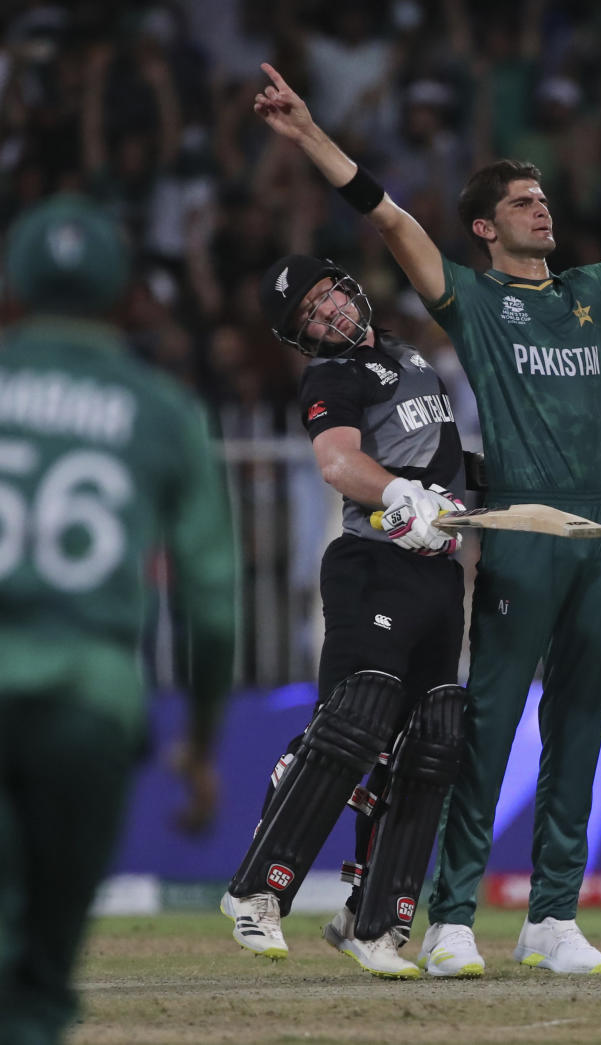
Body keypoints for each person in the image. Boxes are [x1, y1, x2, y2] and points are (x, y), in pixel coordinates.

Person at [252, 62, 601, 975]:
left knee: (580, 718)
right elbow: (391, 217)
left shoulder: (588, 293)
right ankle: (451, 915)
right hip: (522, 523)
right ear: (487, 227)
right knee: (485, 722)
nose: (543, 210)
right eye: (524, 202)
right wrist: (311, 136)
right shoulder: (474, 303)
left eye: (542, 198)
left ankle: (552, 918)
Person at [0, 193, 238, 1045]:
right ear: (125, 295)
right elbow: (212, 605)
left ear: (14, 286)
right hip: (89, 704)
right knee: (40, 978)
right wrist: (205, 745)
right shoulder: (163, 410)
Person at [219, 252, 468, 978]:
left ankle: (374, 923)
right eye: (310, 315)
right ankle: (255, 895)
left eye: (327, 295)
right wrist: (401, 495)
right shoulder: (332, 376)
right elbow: (338, 464)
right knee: (355, 722)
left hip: (435, 572)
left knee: (430, 739)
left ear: (347, 286)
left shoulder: (404, 350)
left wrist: (467, 489)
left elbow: (439, 460)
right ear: (303, 337)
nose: (328, 313)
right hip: (374, 568)